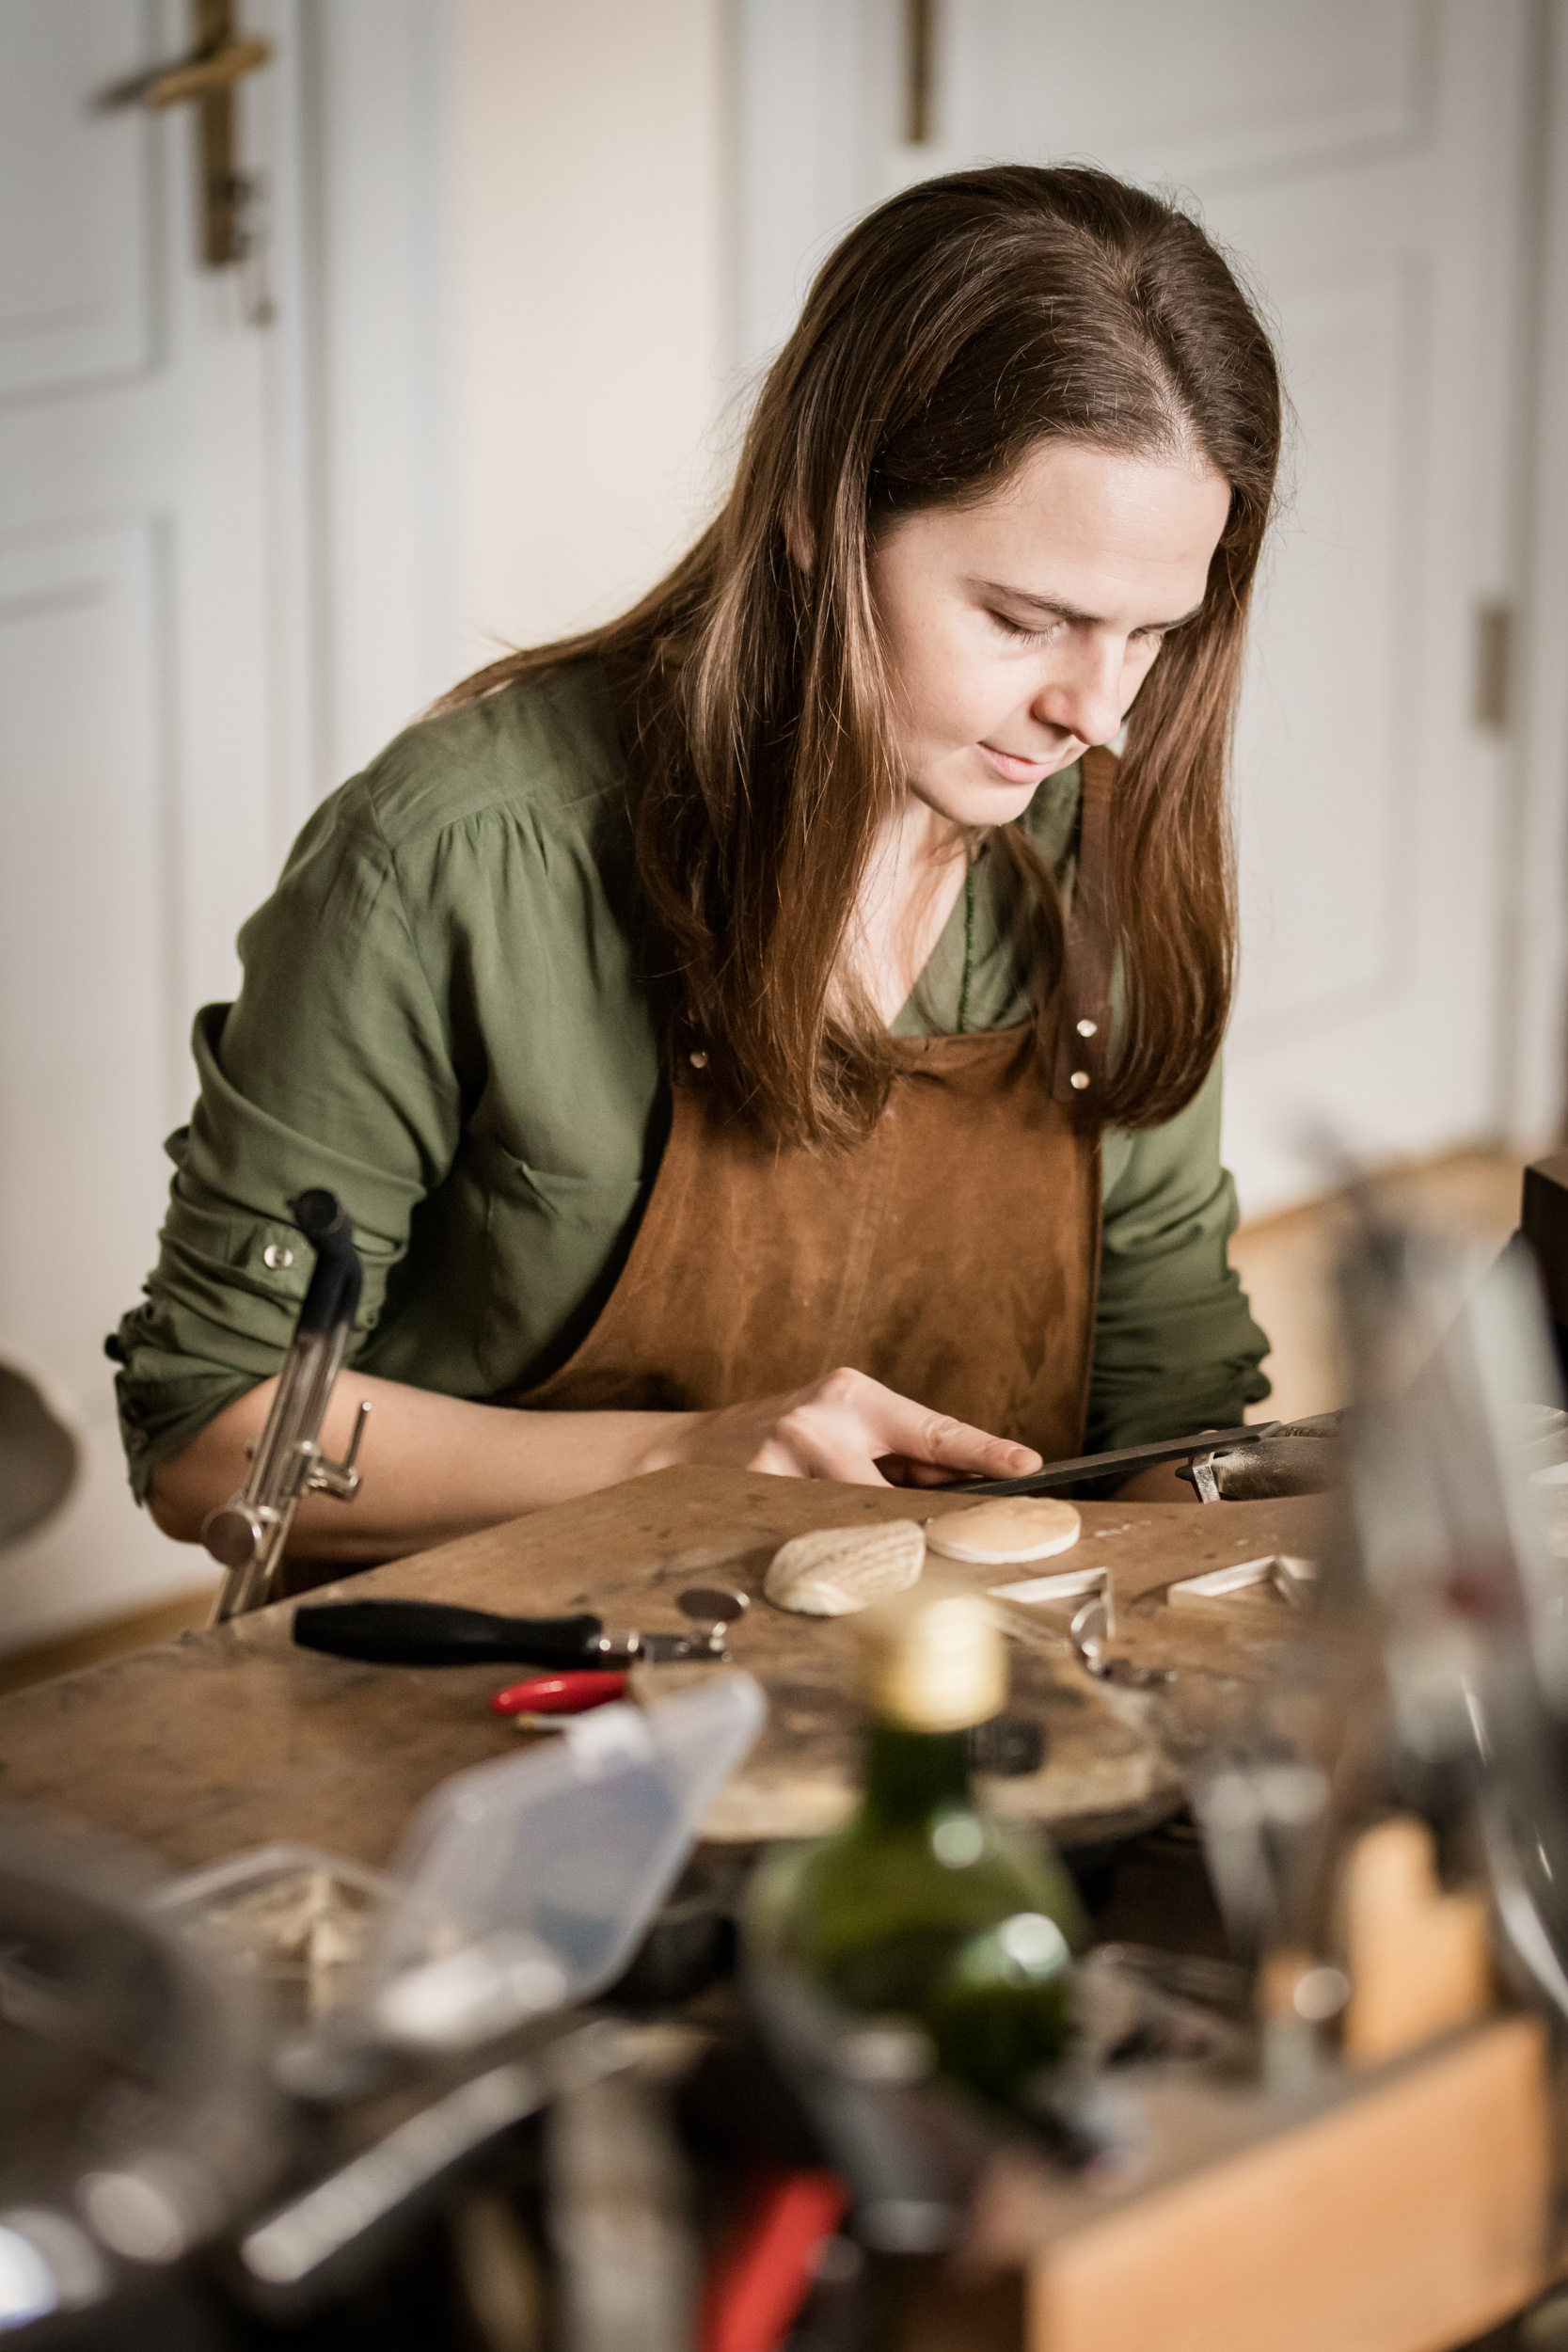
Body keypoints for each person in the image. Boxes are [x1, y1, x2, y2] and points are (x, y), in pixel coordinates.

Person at [111, 164, 1277, 1568]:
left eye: (1151, 635)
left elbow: (1177, 1424)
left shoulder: (1107, 864)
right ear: (818, 515)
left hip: (934, 1703)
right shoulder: (461, 855)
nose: (1101, 713)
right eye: (1025, 619)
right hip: (475, 1688)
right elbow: (207, 1434)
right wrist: (683, 1458)